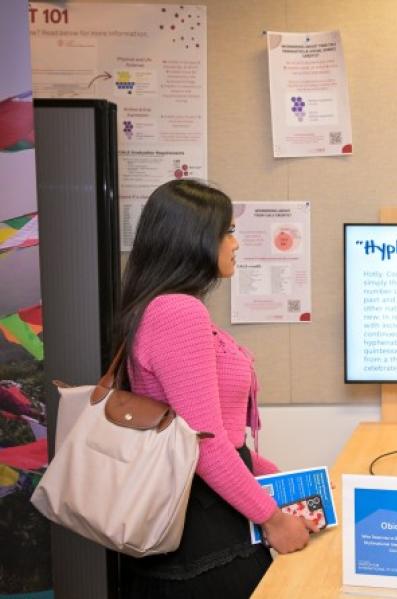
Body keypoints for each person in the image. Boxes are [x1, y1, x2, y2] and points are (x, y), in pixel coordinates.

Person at [113, 180, 318, 598]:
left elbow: (221, 440)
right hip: (202, 537)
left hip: (206, 519)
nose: (235, 243)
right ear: (194, 239)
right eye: (227, 231)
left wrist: (292, 486)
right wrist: (273, 519)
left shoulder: (160, 306)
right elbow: (205, 445)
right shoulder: (177, 312)